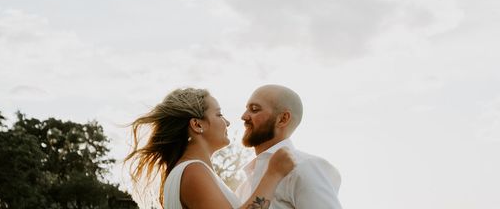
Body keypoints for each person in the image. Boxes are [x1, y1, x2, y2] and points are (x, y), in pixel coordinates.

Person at [125, 88, 295, 209]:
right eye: (219, 114)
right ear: (197, 124)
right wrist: (273, 175)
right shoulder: (193, 171)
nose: (227, 122)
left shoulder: (190, 171)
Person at [237, 85, 343, 209]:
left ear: (282, 119)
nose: (244, 116)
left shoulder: (304, 166)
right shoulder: (244, 185)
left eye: (254, 109)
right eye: (246, 109)